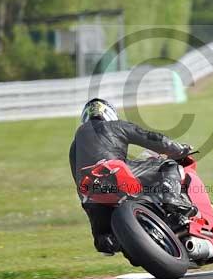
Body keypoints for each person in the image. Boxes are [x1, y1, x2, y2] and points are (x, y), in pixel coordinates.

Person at [69, 98, 193, 255]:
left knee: (104, 239)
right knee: (167, 166)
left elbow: (77, 176)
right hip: (113, 170)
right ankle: (172, 201)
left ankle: (112, 240)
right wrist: (178, 149)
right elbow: (151, 138)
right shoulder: (115, 125)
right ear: (109, 113)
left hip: (90, 191)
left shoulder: (75, 144)